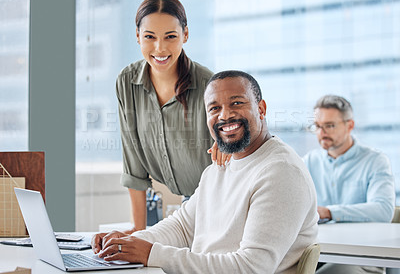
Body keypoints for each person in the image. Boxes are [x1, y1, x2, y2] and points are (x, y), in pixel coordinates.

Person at [92, 70, 319, 273]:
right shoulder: (219, 168)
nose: (224, 115)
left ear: (261, 109)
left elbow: (252, 267)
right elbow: (182, 227)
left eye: (237, 103)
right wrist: (127, 243)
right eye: (214, 108)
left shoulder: (281, 172)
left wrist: (150, 253)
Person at [117, 0, 228, 234]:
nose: (160, 48)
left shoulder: (209, 85)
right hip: (187, 208)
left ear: (185, 35)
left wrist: (227, 144)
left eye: (170, 36)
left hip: (222, 206)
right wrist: (138, 230)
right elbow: (133, 162)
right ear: (137, 36)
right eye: (149, 37)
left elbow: (234, 151)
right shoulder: (127, 82)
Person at [303, 95, 395, 274]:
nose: (322, 133)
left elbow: (383, 210)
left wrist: (330, 212)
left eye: (329, 126)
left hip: (362, 257)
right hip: (318, 251)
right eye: (317, 127)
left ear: (350, 125)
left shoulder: (375, 161)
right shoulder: (309, 161)